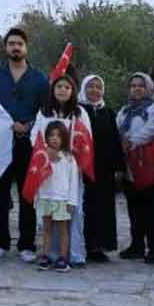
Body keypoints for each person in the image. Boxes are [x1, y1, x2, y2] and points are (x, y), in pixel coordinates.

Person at [0, 28, 48, 263]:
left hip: (28, 143)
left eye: (19, 43)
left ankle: (27, 244)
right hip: (2, 142)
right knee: (0, 193)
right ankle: (0, 242)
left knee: (27, 193)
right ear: (5, 47)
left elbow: (45, 110)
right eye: (11, 43)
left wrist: (29, 125)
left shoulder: (39, 77)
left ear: (26, 47)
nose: (15, 47)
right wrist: (8, 125)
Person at [31, 74, 92, 266]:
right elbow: (35, 135)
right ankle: (51, 253)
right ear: (53, 90)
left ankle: (72, 254)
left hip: (70, 166)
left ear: (72, 90)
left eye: (67, 87)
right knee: (48, 216)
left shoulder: (80, 112)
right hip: (47, 167)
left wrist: (70, 155)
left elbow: (87, 139)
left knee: (72, 212)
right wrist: (45, 152)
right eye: (59, 87)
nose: (63, 90)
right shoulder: (44, 112)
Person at [116, 73, 154, 264]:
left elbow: (151, 130)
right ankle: (137, 245)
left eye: (141, 86)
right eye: (133, 85)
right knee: (134, 208)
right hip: (129, 165)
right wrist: (121, 142)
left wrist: (130, 142)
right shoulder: (124, 110)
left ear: (149, 88)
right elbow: (117, 128)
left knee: (152, 209)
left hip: (148, 164)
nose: (137, 89)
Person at [78, 74, 121, 263]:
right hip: (82, 168)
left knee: (102, 207)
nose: (94, 90)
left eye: (98, 87)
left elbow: (115, 141)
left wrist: (118, 166)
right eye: (90, 86)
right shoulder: (77, 111)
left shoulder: (109, 113)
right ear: (83, 89)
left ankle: (98, 246)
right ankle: (81, 244)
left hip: (104, 170)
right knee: (84, 205)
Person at [35, 121, 80, 273]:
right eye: (51, 135)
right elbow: (36, 177)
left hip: (62, 200)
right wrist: (37, 197)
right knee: (46, 229)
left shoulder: (69, 158)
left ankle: (62, 258)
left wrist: (72, 201)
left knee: (63, 230)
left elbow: (73, 181)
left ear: (65, 138)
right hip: (45, 197)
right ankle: (46, 256)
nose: (54, 138)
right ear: (46, 137)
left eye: (59, 135)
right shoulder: (41, 155)